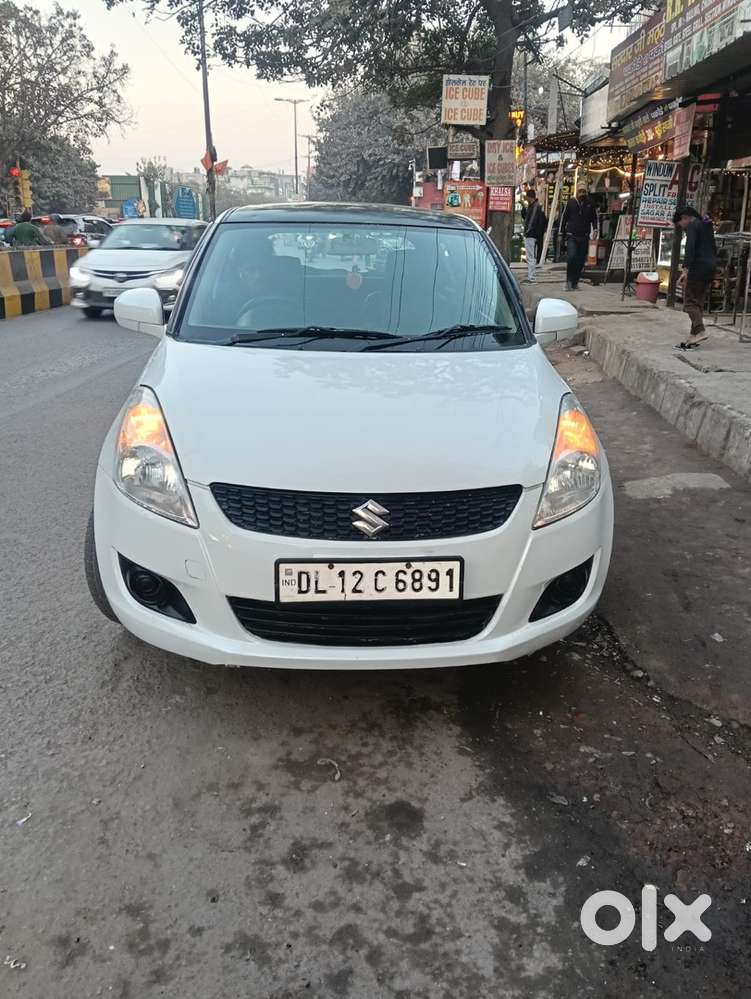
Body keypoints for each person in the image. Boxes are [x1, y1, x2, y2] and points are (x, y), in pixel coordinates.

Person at [673, 206, 717, 349]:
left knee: (690, 303)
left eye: (681, 223)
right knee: (697, 303)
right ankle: (693, 336)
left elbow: (690, 248)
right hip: (710, 267)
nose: (682, 227)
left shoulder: (693, 226)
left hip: (698, 267)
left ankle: (700, 330)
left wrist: (685, 269)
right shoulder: (706, 225)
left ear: (686, 218)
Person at [560, 188, 597, 290]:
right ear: (577, 192)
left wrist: (595, 229)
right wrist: (561, 232)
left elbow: (594, 217)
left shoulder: (590, 203)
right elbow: (564, 217)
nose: (582, 194)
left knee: (580, 260)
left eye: (584, 192)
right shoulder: (571, 202)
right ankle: (568, 281)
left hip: (584, 235)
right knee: (572, 257)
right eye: (580, 192)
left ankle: (575, 282)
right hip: (572, 235)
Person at [521, 190, 547, 282]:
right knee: (531, 256)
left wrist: (528, 231)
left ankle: (531, 277)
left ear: (529, 197)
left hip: (531, 234)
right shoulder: (533, 206)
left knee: (531, 256)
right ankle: (531, 275)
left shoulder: (535, 206)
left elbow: (531, 221)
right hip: (532, 234)